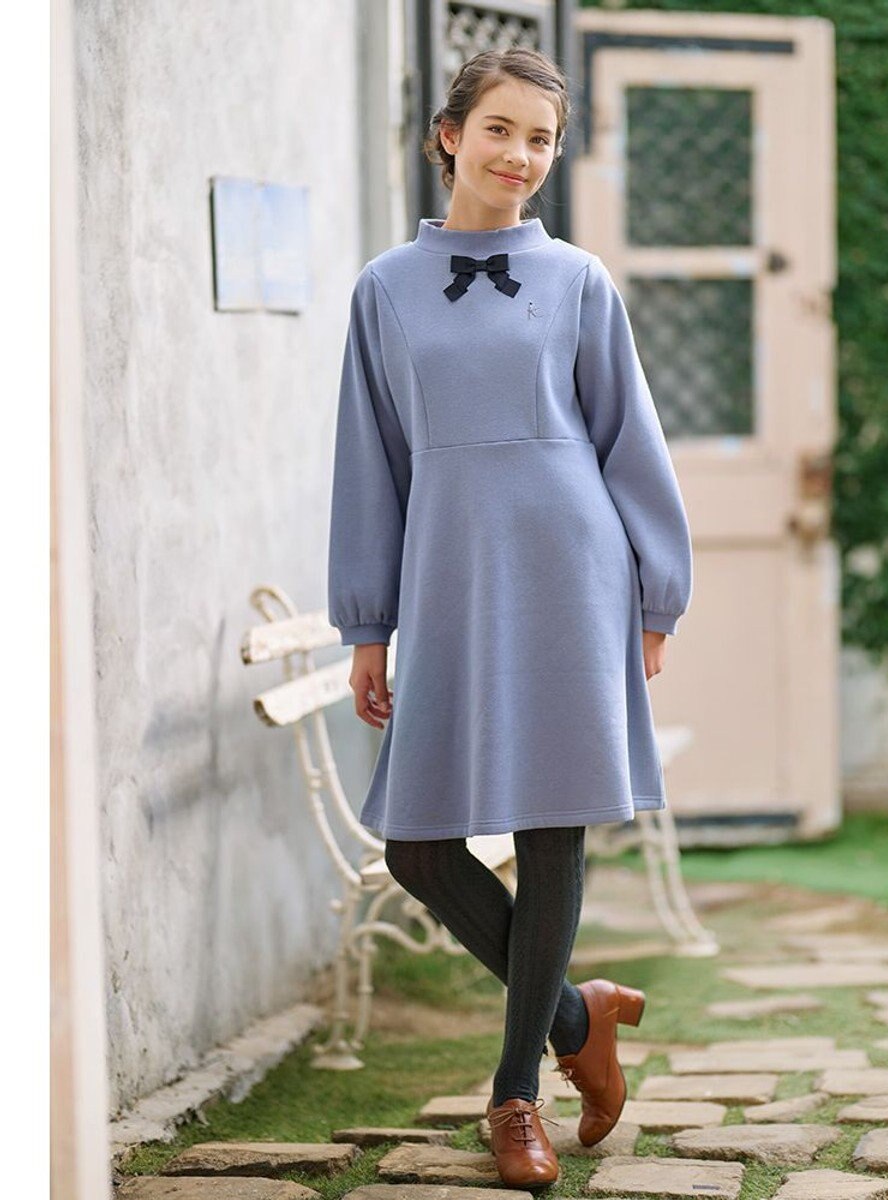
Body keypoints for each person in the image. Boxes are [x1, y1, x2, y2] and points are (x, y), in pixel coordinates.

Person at [327, 47, 693, 1190]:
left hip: (571, 570)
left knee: (550, 828)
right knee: (419, 848)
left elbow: (629, 440)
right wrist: (368, 625)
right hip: (449, 576)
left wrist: (656, 592)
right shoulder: (383, 289)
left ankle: (514, 1097)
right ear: (449, 136)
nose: (520, 156)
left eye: (541, 138)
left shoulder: (579, 280)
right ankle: (583, 1019)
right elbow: (371, 466)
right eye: (499, 130)